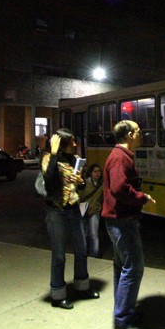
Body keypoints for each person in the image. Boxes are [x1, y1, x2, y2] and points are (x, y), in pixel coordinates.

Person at [102, 120, 155, 329]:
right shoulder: (119, 158)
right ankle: (122, 322)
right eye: (139, 132)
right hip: (121, 220)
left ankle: (124, 312)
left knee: (122, 267)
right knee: (133, 268)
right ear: (130, 135)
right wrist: (142, 198)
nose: (142, 136)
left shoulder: (121, 156)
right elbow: (118, 188)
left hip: (119, 220)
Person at [41, 128, 98, 309]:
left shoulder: (74, 160)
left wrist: (80, 181)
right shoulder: (48, 159)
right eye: (72, 141)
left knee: (81, 249)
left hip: (73, 209)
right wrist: (55, 153)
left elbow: (80, 188)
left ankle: (82, 286)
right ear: (62, 144)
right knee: (59, 255)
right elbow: (49, 181)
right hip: (56, 211)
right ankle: (58, 294)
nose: (75, 144)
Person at [80, 163, 104, 258]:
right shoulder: (85, 183)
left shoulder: (102, 184)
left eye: (99, 171)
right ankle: (83, 253)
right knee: (84, 234)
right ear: (90, 173)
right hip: (83, 211)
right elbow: (79, 196)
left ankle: (94, 255)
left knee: (94, 234)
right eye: (95, 171)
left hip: (95, 211)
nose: (98, 174)